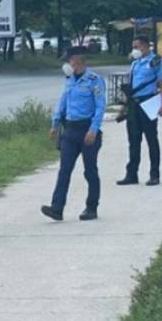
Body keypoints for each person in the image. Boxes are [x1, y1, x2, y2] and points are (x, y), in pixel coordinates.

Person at [41, 48, 107, 222]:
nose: (67, 65)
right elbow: (62, 103)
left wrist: (93, 129)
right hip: (70, 130)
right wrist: (55, 124)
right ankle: (57, 208)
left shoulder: (94, 80)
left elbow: (100, 107)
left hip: (87, 130)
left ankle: (91, 207)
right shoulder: (69, 80)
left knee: (90, 170)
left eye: (69, 61)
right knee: (64, 170)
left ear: (76, 62)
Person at [116, 35, 162, 187]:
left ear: (145, 46)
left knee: (151, 139)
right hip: (133, 104)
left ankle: (154, 175)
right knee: (133, 140)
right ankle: (131, 174)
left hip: (148, 102)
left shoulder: (156, 61)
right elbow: (132, 87)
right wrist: (124, 107)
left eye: (137, 47)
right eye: (134, 47)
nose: (135, 50)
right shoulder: (135, 63)